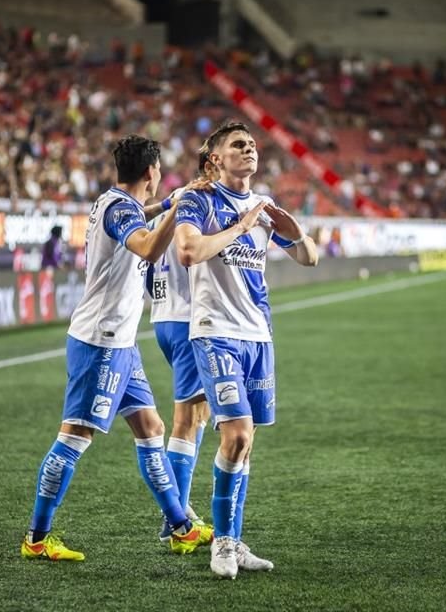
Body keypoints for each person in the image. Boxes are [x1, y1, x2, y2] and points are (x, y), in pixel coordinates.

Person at [20, 135, 212, 561]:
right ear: (150, 171)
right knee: (75, 436)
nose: (161, 175)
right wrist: (178, 207)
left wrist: (167, 204)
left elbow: (136, 218)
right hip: (101, 341)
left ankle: (180, 527)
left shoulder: (112, 202)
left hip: (123, 344)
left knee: (151, 428)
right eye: (160, 169)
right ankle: (37, 537)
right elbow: (145, 244)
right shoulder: (121, 208)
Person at [174, 121, 319, 578]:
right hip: (215, 330)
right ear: (216, 158)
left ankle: (234, 541)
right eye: (238, 144)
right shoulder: (198, 200)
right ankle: (221, 542)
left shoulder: (264, 205)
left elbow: (309, 257)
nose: (249, 149)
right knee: (234, 436)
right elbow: (189, 252)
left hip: (258, 335)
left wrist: (296, 233)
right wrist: (240, 226)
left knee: (247, 444)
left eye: (252, 144)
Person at [148, 146, 216, 543]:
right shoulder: (200, 203)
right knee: (187, 419)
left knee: (199, 413)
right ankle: (174, 520)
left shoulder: (177, 199)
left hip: (164, 316)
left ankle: (178, 507)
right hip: (187, 318)